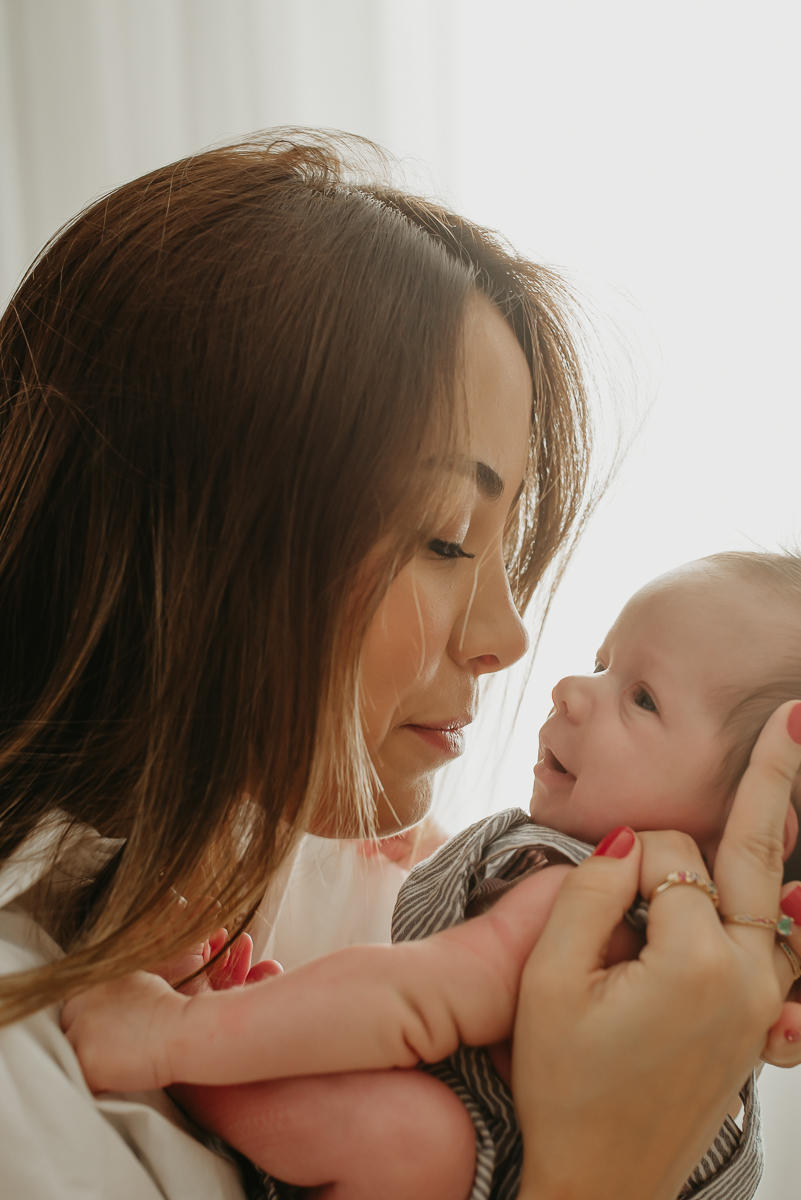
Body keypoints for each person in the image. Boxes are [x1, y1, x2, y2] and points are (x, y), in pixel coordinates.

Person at [1, 130, 801, 1200]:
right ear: (193, 548)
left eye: (504, 547)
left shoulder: (298, 871)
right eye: (444, 540)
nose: (512, 639)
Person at [63, 550, 801, 1200]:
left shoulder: (583, 899)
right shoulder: (707, 971)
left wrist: (181, 1031)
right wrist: (434, 853)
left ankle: (189, 1056)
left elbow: (411, 1003)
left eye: (641, 698)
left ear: (756, 822)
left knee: (411, 1139)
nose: (572, 688)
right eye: (602, 661)